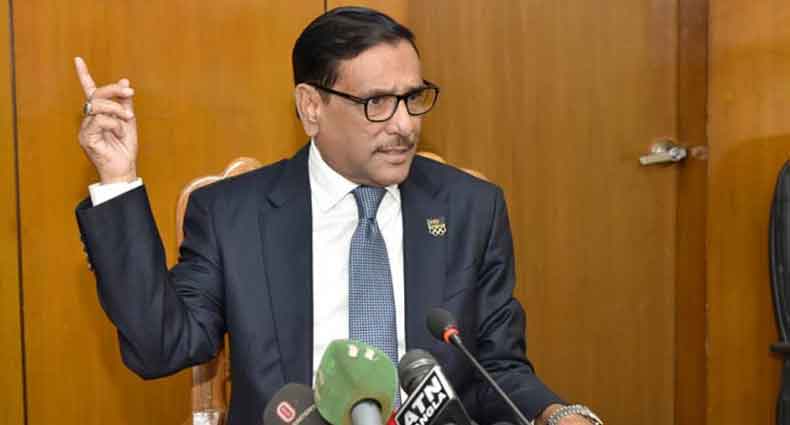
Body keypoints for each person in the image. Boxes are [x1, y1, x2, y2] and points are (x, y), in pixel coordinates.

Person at [74, 7, 601, 425]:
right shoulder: (233, 214)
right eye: (377, 103)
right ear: (311, 107)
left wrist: (557, 414)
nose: (404, 125)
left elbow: (495, 367)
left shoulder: (470, 208)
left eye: (413, 98)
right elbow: (162, 347)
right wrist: (118, 178)